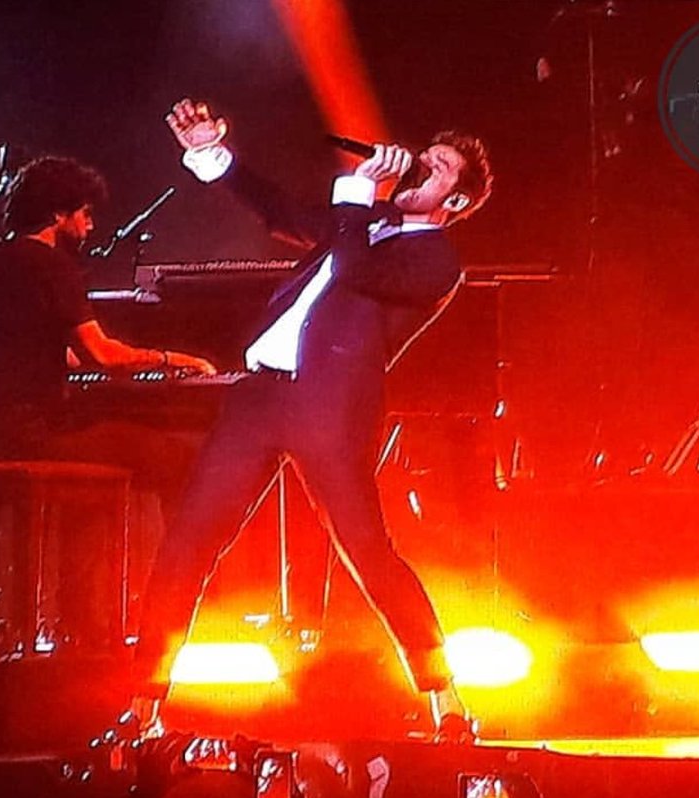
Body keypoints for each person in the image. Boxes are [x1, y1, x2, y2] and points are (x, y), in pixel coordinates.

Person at [128, 99, 493, 741]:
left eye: (436, 169)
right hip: (260, 396)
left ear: (455, 201)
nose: (419, 168)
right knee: (190, 540)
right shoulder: (362, 220)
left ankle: (447, 700)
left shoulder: (436, 261)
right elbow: (280, 212)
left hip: (330, 409)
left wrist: (359, 192)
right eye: (425, 156)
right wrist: (212, 154)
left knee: (367, 552)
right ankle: (142, 707)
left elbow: (355, 270)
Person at [0, 155, 216, 640]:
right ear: (59, 214)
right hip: (32, 437)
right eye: (85, 213)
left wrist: (121, 364)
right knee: (179, 461)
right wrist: (171, 359)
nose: (91, 226)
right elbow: (101, 353)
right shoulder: (52, 265)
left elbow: (39, 350)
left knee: (93, 476)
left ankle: (83, 624)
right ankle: (180, 606)